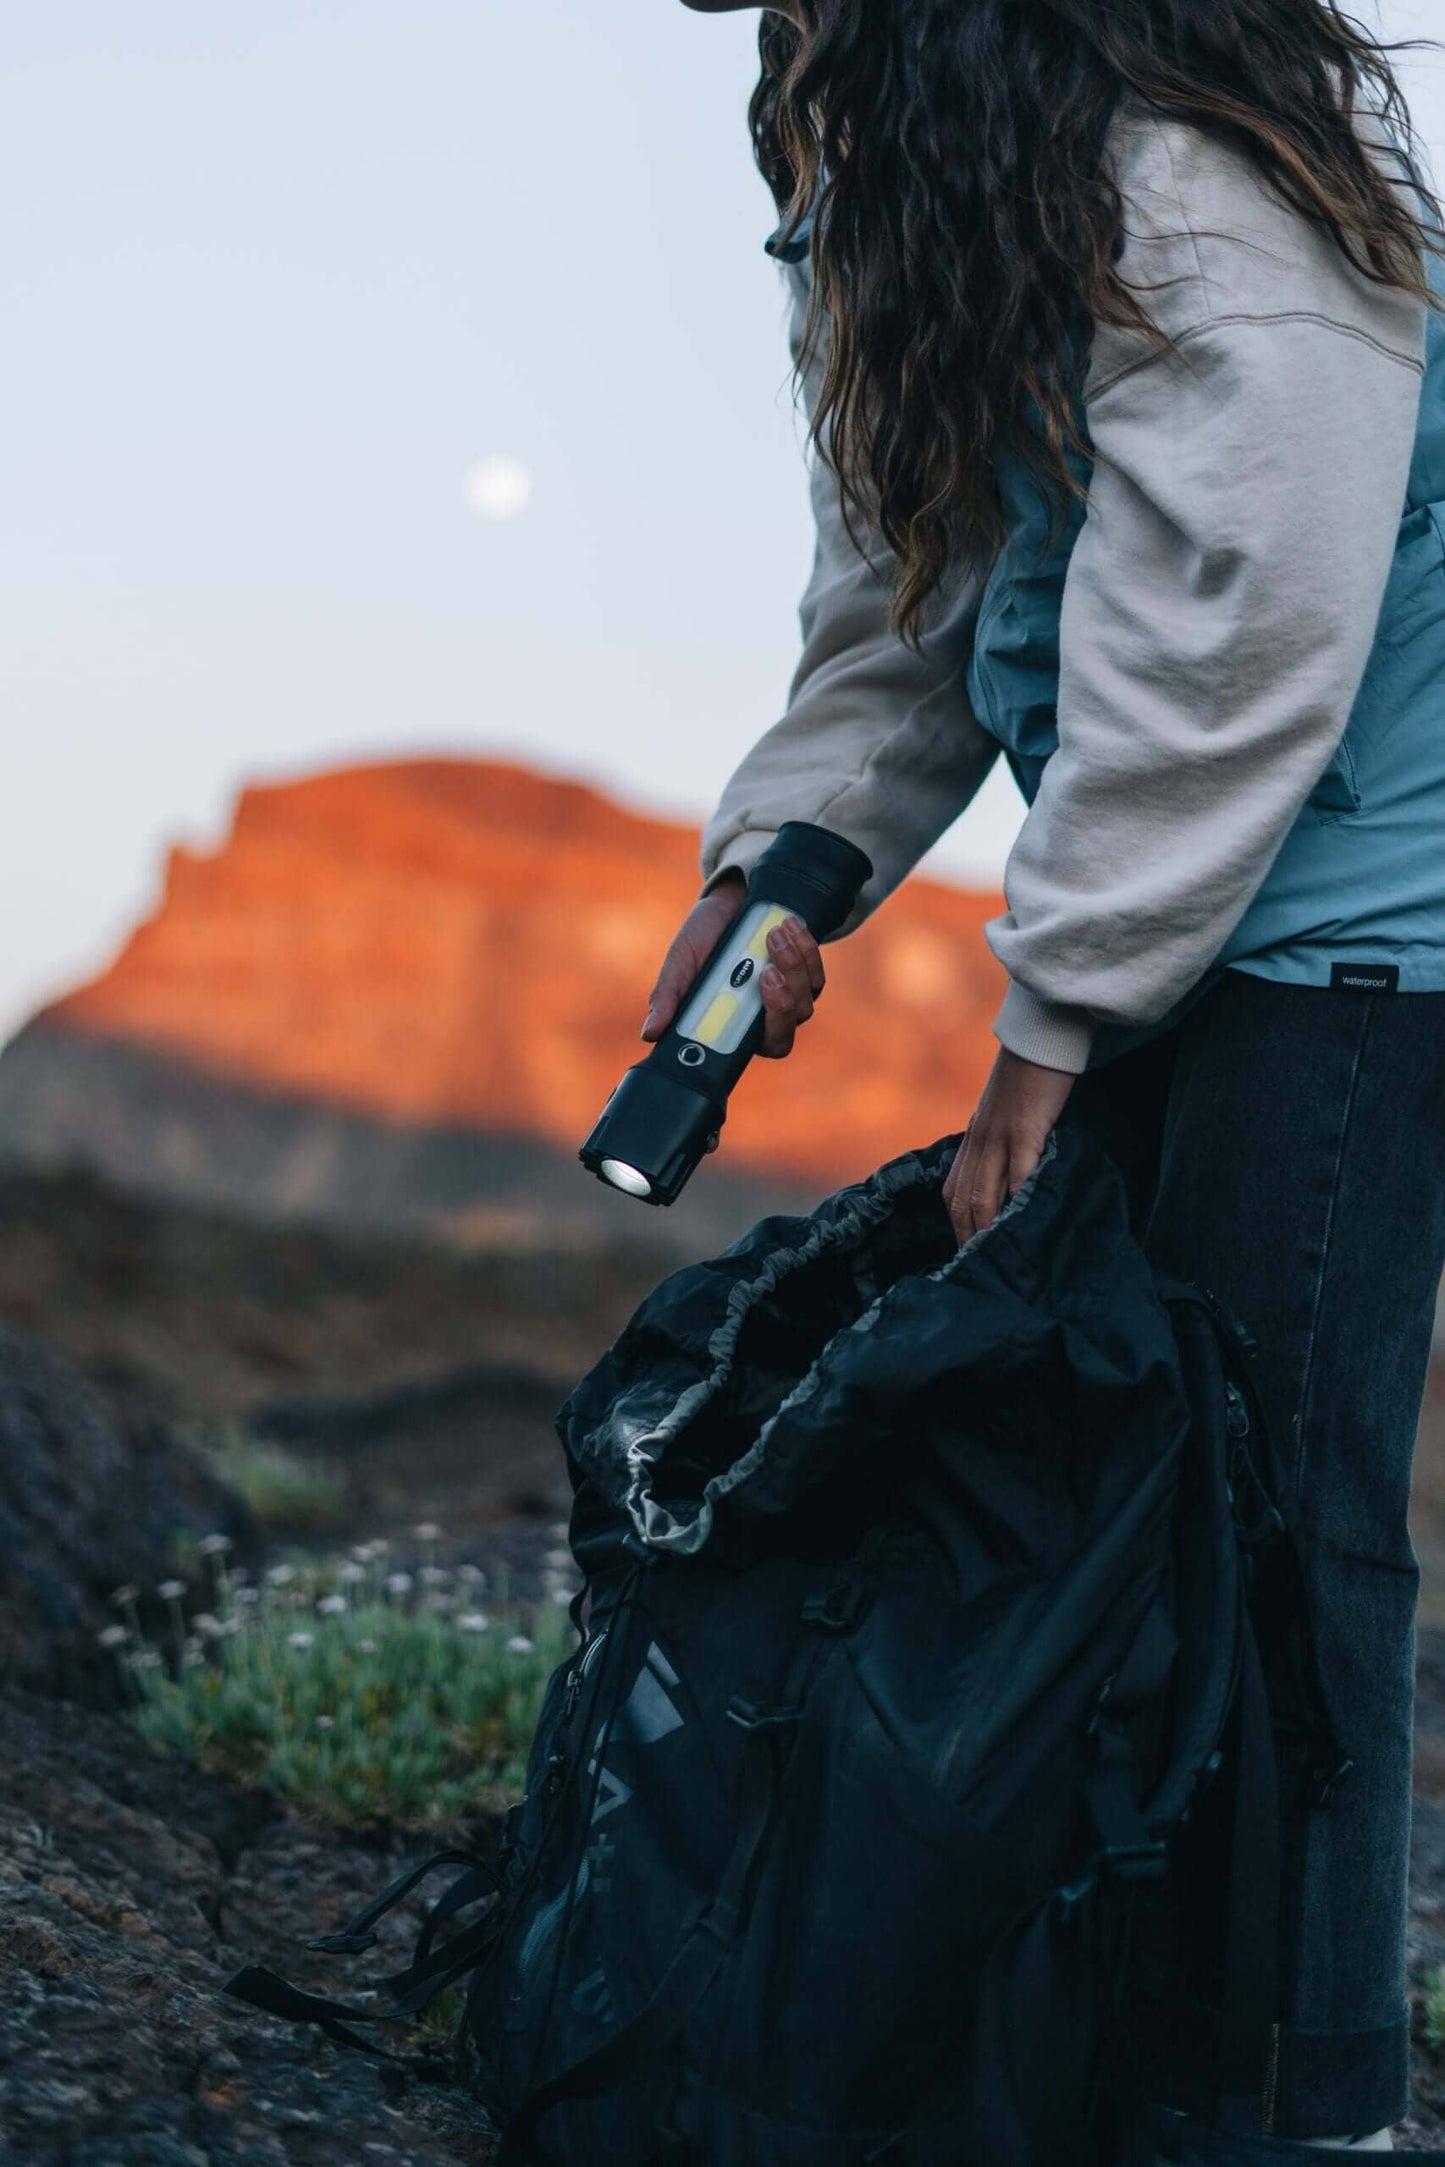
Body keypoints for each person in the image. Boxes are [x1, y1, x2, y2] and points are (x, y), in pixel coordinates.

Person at [645, 0, 1445, 2151]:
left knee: (1293, 1511)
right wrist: (787, 864)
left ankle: (1315, 2093)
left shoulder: (1207, 199)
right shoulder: (940, 202)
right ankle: (1129, 2046)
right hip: (1187, 898)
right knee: (1129, 1491)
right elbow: (922, 595)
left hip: (1369, 923)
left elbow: (1247, 630)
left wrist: (1054, 1017)